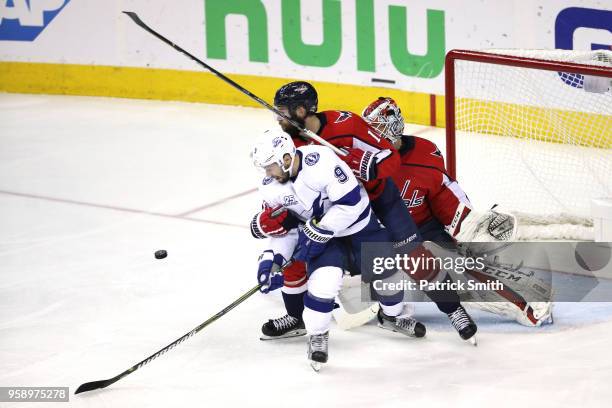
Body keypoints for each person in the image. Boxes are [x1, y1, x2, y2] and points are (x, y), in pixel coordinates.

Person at [251, 81, 478, 343]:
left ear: (301, 110)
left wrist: (367, 166)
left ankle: (452, 310)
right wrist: (273, 218)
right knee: (298, 252)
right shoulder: (287, 144)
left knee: (413, 254)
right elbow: (278, 184)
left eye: (282, 111)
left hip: (379, 198)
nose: (278, 118)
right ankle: (296, 317)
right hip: (333, 210)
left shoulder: (345, 124)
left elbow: (390, 158)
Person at [361, 97, 552, 326]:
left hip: (423, 230)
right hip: (379, 234)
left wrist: (469, 225)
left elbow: (444, 193)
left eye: (378, 129)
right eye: (369, 130)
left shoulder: (424, 152)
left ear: (394, 126)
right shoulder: (363, 160)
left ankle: (524, 306)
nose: (371, 137)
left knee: (460, 270)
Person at [251, 129, 425, 369]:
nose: (267, 173)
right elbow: (287, 230)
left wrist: (322, 228)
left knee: (388, 275)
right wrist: (273, 259)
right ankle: (317, 336)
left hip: (360, 227)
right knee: (324, 282)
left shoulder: (321, 160)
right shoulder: (270, 186)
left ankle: (392, 316)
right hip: (325, 240)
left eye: (270, 166)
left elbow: (351, 203)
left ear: (286, 159)